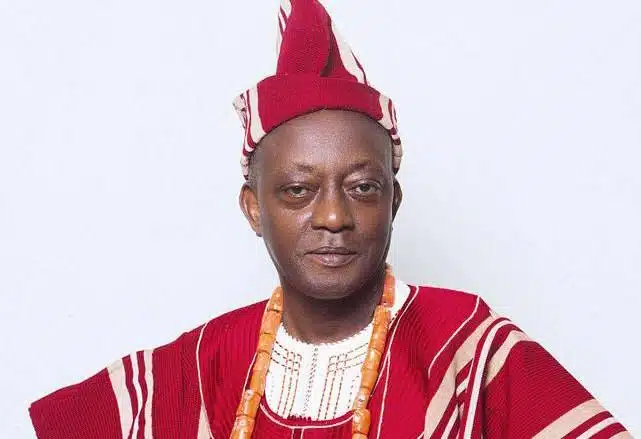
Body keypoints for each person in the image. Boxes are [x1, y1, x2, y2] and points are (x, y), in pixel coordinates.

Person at [29, 1, 631, 438]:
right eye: (298, 190)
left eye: (362, 187)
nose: (335, 216)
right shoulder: (199, 365)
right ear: (253, 208)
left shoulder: (469, 351)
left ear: (394, 201)